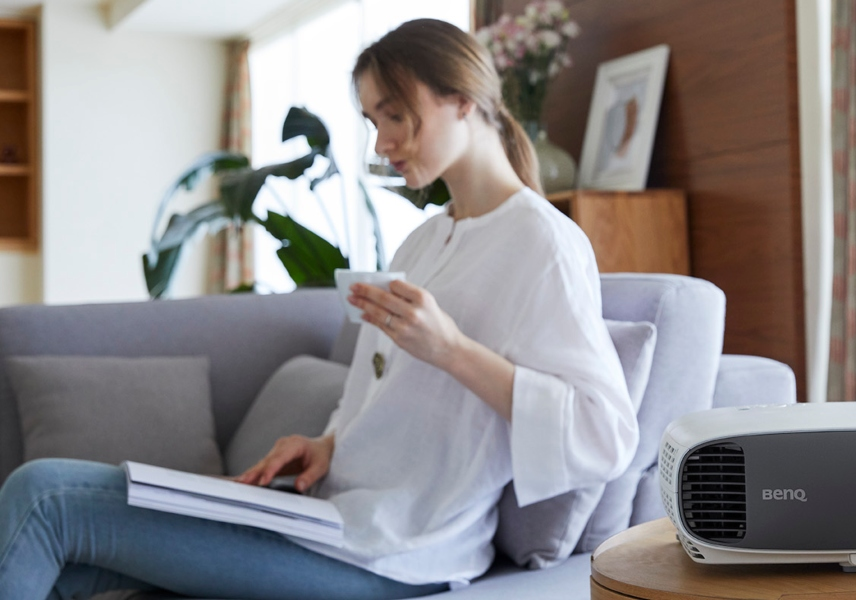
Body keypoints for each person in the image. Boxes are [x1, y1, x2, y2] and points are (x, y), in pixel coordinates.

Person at [0, 18, 638, 600]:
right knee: (71, 567)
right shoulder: (423, 241)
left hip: (396, 553)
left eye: (395, 116)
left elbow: (604, 436)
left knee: (45, 494)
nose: (382, 142)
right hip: (328, 515)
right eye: (371, 122)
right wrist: (328, 444)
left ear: (462, 99)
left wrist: (452, 350)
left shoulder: (543, 244)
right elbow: (384, 395)